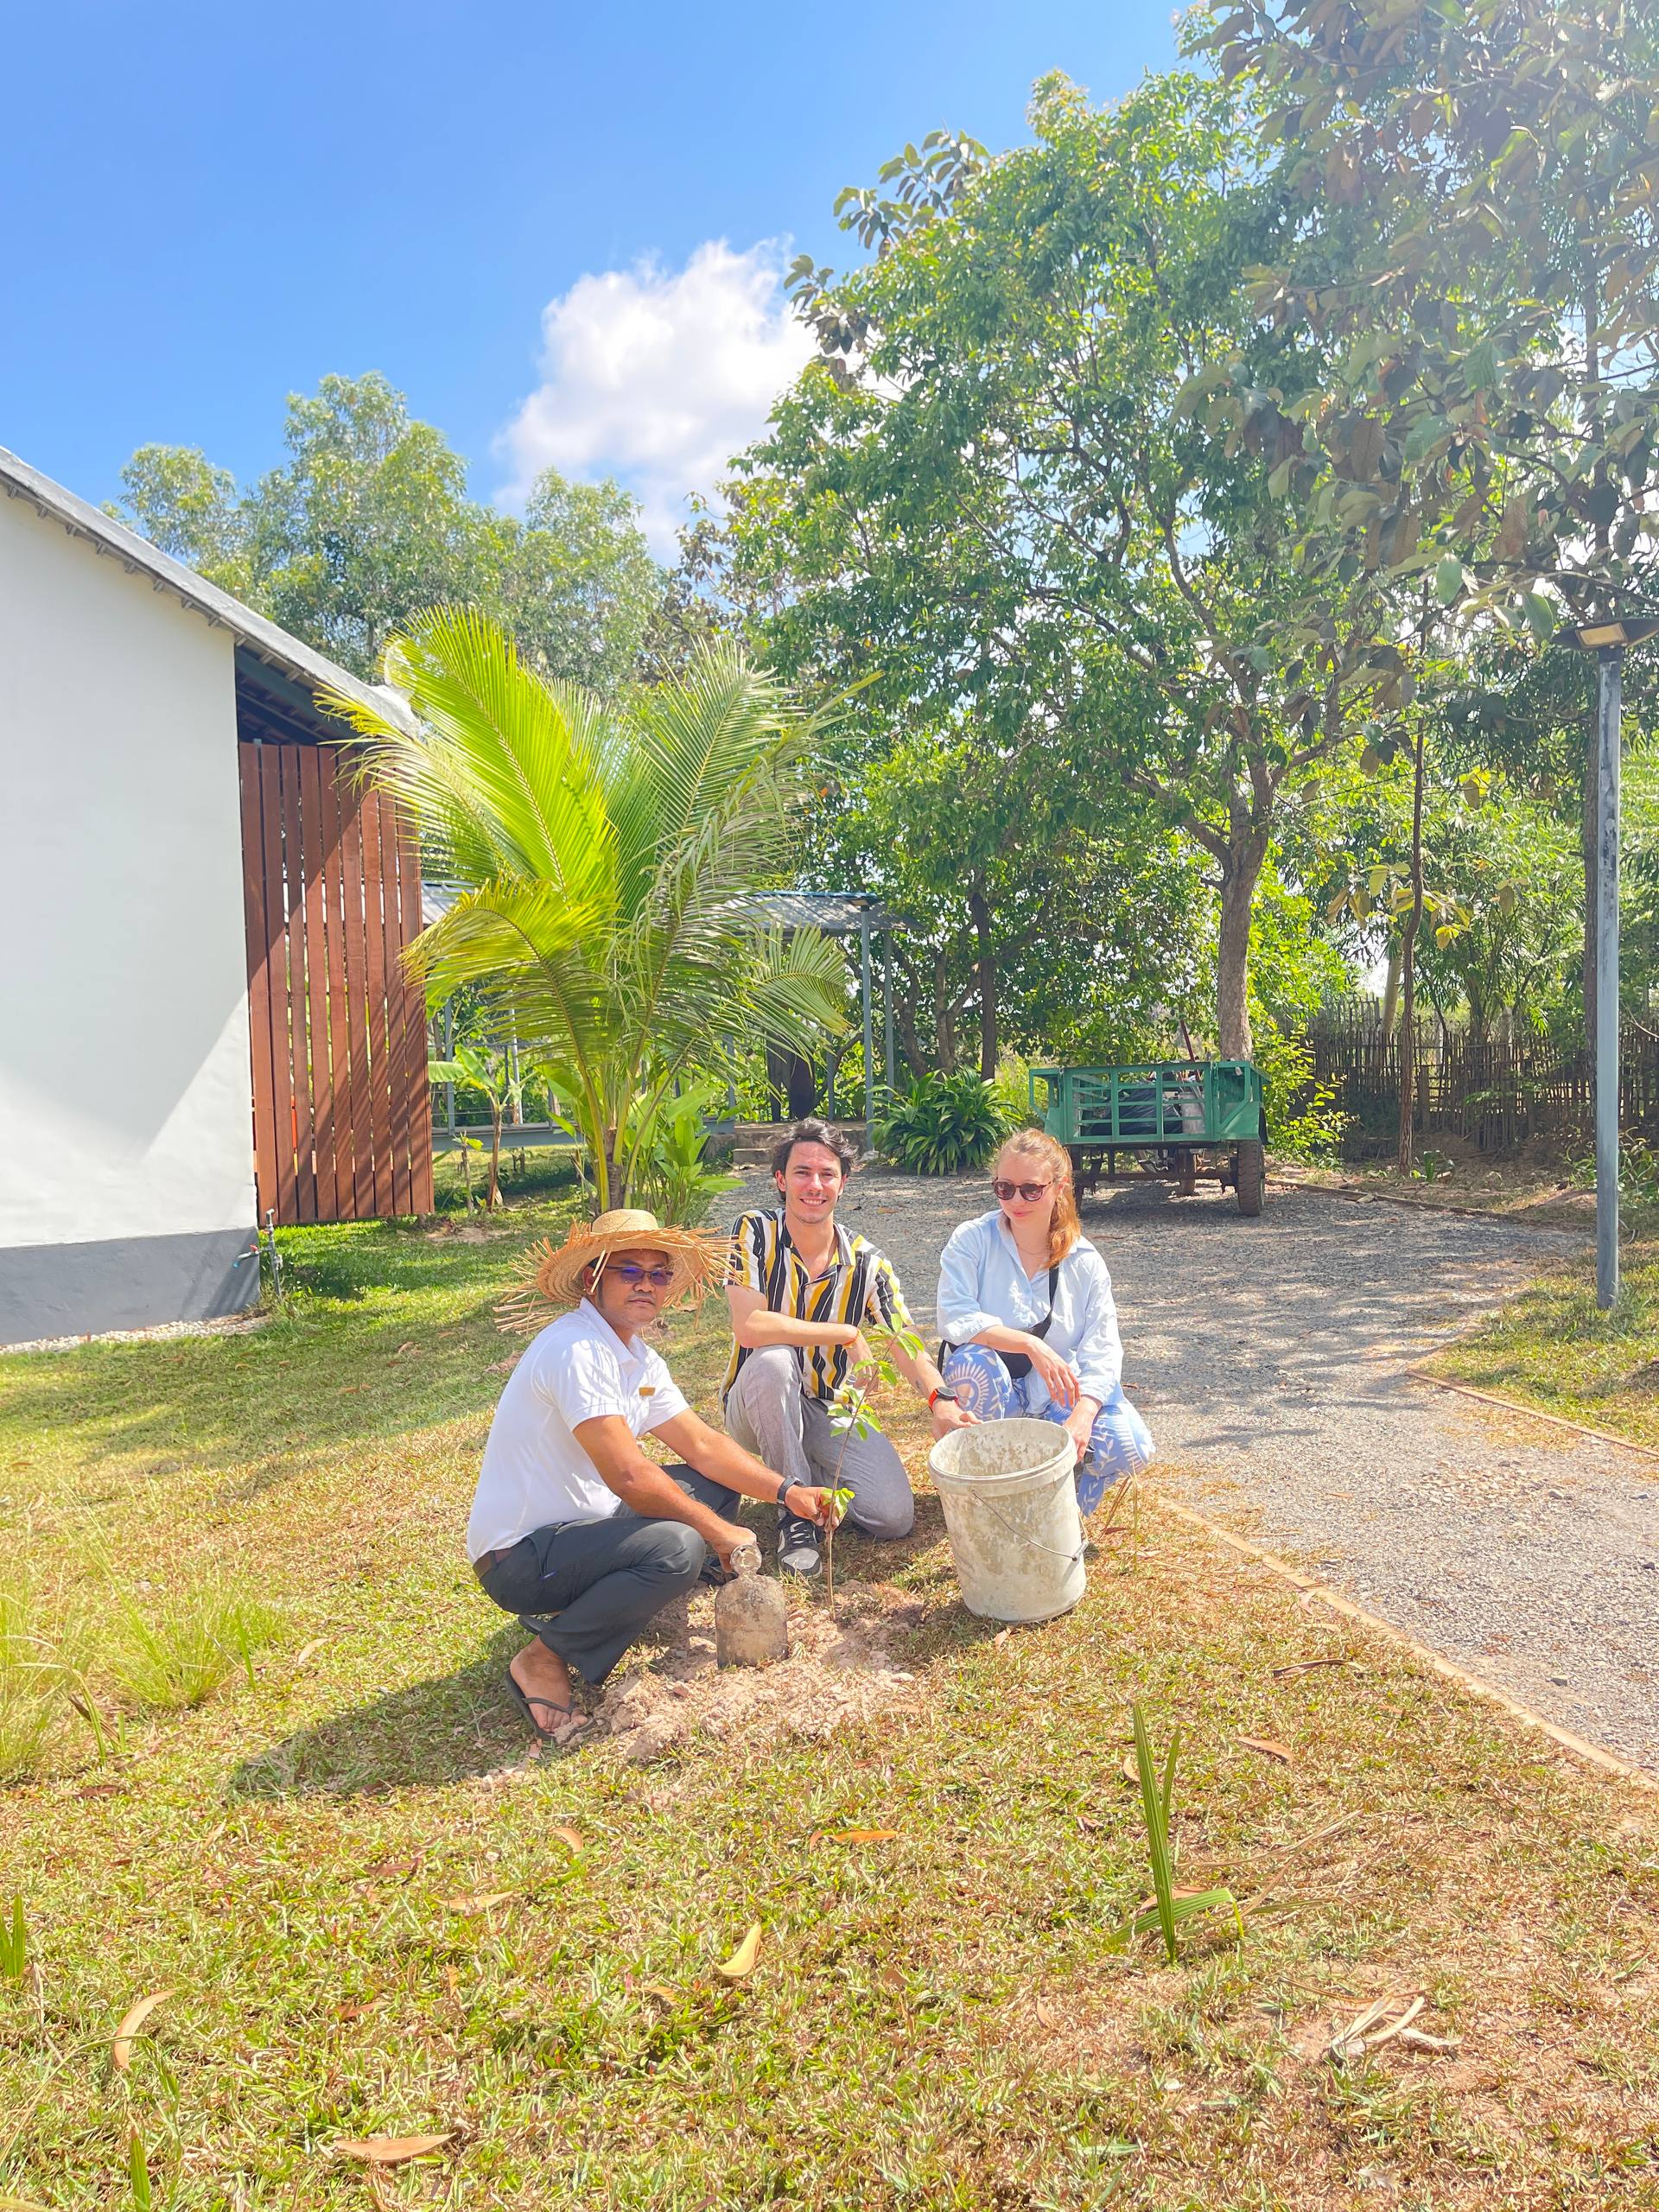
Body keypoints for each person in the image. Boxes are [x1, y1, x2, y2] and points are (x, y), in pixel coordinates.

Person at [469, 1208, 839, 1745]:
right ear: (593, 1276)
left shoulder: (636, 1356)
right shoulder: (577, 1349)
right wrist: (719, 1534)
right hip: (521, 1557)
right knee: (678, 1546)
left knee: (711, 1485)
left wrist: (790, 1492)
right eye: (629, 1271)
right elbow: (627, 1475)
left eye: (659, 1273)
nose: (647, 1285)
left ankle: (642, 1592)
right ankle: (544, 1657)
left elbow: (704, 1446)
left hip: (585, 1527)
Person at [724, 1116, 975, 1577]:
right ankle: (794, 1517)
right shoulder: (754, 1231)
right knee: (776, 1361)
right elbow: (750, 1326)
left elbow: (904, 1339)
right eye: (802, 1172)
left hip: (827, 1405)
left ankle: (813, 1474)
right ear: (781, 1179)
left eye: (827, 1174)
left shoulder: (868, 1260)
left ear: (843, 1182)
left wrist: (940, 1400)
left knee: (892, 1517)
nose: (814, 1185)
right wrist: (845, 1333)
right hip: (755, 1399)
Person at [935, 1128, 1154, 1510]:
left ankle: (1065, 1514)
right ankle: (986, 1499)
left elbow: (1102, 1350)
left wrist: (1083, 1416)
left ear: (1059, 1187)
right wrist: (1030, 1344)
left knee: (1129, 1446)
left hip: (1056, 1393)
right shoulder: (973, 1239)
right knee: (973, 1364)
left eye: (1030, 1189)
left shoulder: (1084, 1261)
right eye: (1005, 1188)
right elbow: (954, 1316)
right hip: (996, 1389)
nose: (1016, 1200)